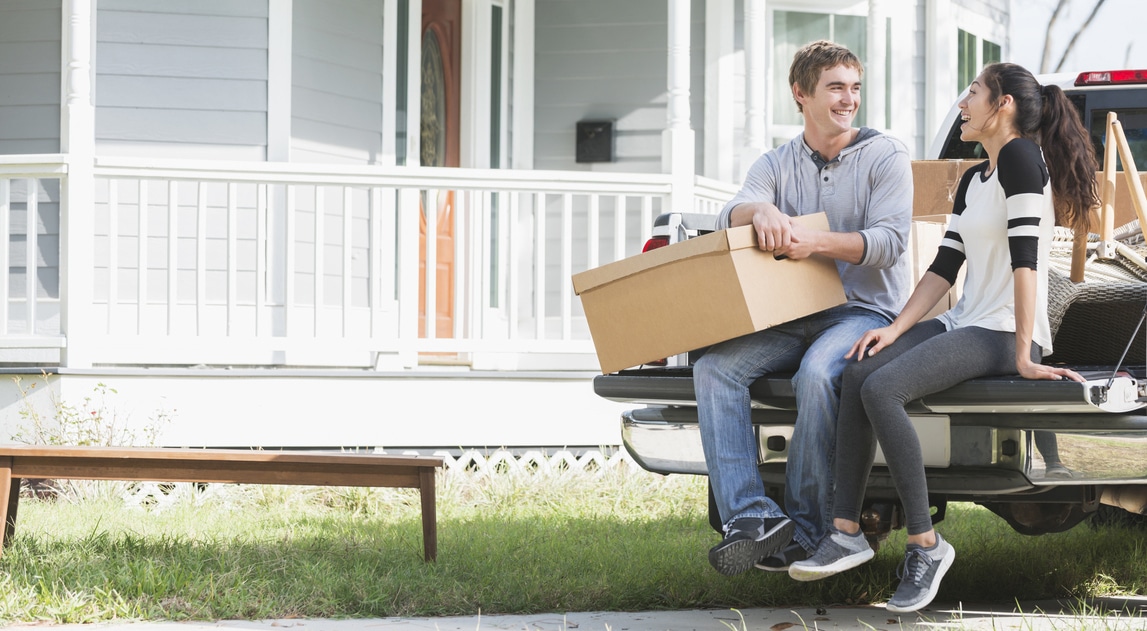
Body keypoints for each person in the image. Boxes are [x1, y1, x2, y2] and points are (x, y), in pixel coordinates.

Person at [787, 62, 1098, 613]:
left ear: (1002, 106)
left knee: (884, 391)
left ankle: (925, 545)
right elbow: (944, 266)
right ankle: (845, 531)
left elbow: (1027, 261)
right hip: (968, 320)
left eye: (973, 93)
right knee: (860, 369)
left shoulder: (1023, 160)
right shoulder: (978, 177)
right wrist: (895, 328)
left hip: (1003, 330)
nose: (962, 103)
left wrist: (1025, 353)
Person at [695, 40, 913, 576]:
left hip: (866, 310)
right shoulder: (777, 162)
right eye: (835, 87)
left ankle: (809, 530)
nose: (848, 99)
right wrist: (760, 209)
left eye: (854, 88)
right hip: (794, 315)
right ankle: (751, 518)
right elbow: (731, 210)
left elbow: (888, 243)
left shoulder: (886, 155)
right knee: (712, 368)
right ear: (801, 93)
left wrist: (813, 242)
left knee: (818, 373)